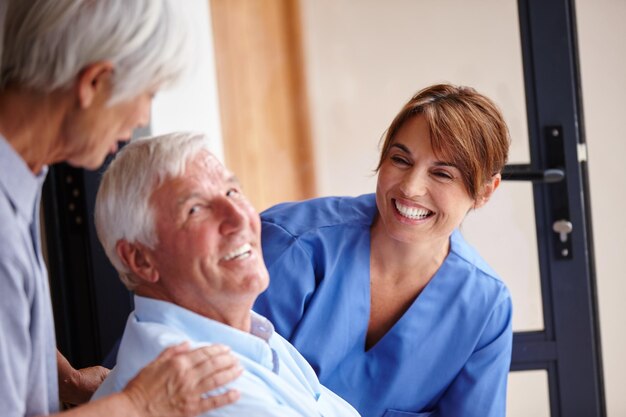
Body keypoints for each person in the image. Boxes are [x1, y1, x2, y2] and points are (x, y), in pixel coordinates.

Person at [0, 1, 240, 416]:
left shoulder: (20, 178)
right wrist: (140, 403)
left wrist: (65, 379)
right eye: (146, 94)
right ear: (95, 82)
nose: (141, 118)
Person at [254, 84, 514, 417]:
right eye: (401, 160)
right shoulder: (293, 244)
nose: (410, 187)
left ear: (485, 191)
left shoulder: (486, 308)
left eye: (442, 173)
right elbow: (224, 378)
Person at [91, 132, 361, 417]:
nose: (239, 217)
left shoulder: (247, 333)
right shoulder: (204, 392)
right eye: (195, 209)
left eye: (232, 192)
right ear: (141, 259)